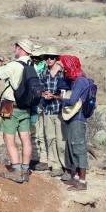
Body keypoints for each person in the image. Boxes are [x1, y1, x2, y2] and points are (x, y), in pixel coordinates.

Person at [0, 39, 34, 183]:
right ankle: (25, 169)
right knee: (25, 138)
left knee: (9, 138)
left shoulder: (14, 65)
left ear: (20, 49)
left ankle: (16, 171)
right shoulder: (32, 65)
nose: (14, 50)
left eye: (16, 47)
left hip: (10, 105)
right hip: (26, 106)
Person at [57, 55, 90, 191]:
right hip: (72, 118)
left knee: (78, 149)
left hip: (78, 118)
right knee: (71, 147)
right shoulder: (74, 79)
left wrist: (61, 98)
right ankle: (75, 178)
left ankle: (82, 181)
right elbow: (60, 84)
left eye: (65, 67)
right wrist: (62, 74)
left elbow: (71, 101)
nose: (64, 69)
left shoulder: (81, 81)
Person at [39, 47, 67, 178]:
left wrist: (54, 96)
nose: (49, 59)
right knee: (50, 138)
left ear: (56, 58)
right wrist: (43, 94)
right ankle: (55, 165)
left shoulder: (63, 72)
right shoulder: (43, 71)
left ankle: (66, 165)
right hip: (47, 109)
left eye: (51, 57)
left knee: (61, 139)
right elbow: (38, 88)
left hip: (60, 109)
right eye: (46, 57)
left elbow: (66, 92)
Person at [29, 47, 49, 171]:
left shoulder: (44, 70)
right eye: (33, 57)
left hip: (41, 104)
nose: (35, 59)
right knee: (33, 132)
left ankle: (44, 159)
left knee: (40, 133)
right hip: (32, 104)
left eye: (38, 57)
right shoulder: (30, 68)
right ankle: (35, 158)